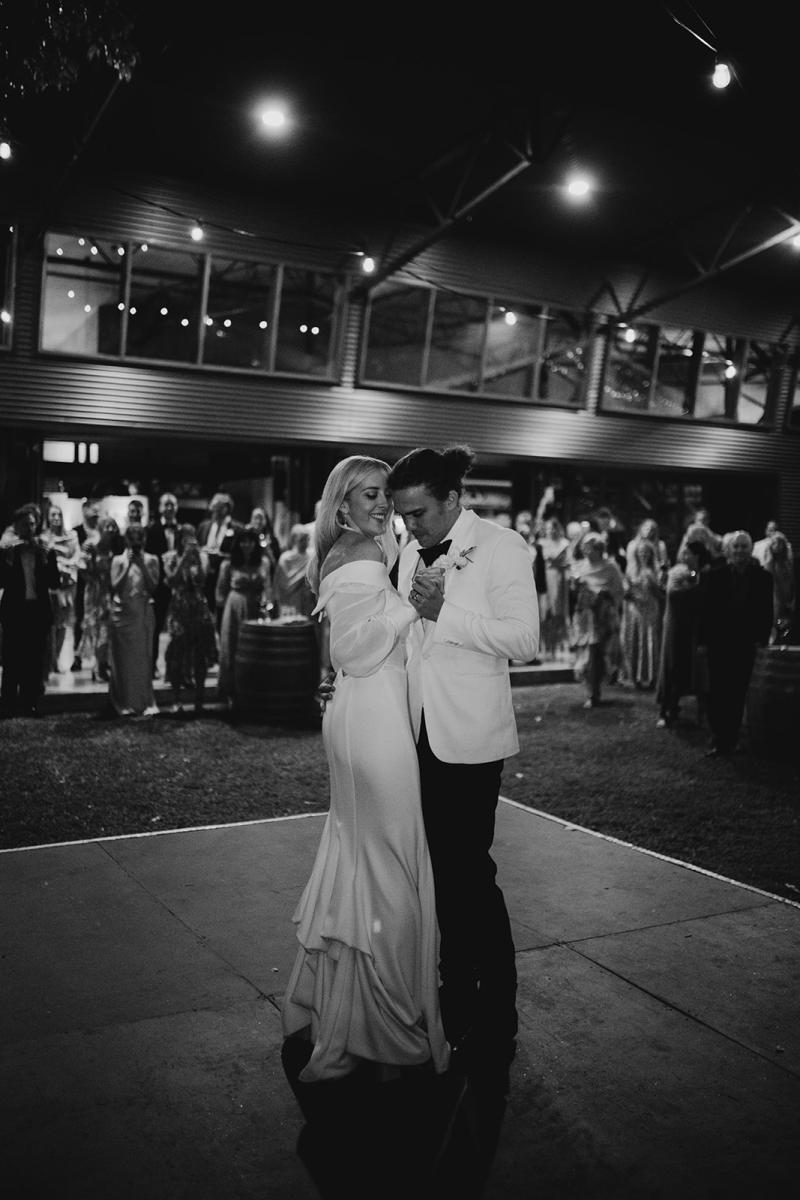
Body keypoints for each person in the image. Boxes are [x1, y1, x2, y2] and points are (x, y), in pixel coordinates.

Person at [281, 455, 449, 1085]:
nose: (382, 505)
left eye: (386, 495)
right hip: (372, 722)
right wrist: (413, 606)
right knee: (394, 865)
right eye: (370, 494)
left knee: (369, 861)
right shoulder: (359, 552)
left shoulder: (364, 548)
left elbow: (342, 650)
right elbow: (354, 649)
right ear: (344, 503)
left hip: (363, 713)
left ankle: (357, 1016)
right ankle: (389, 1019)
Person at [387, 443, 540, 1088]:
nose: (408, 526)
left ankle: (496, 1017)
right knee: (438, 875)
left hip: (470, 743)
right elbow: (404, 639)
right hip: (413, 735)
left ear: (453, 499)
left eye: (418, 513)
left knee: (470, 877)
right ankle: (454, 1000)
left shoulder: (505, 548)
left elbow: (523, 640)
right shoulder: (405, 550)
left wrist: (442, 613)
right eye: (401, 516)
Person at [697, 530, 773, 757]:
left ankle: (732, 737)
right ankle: (718, 737)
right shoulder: (715, 576)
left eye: (744, 546)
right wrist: (701, 641)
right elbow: (705, 612)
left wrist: (763, 638)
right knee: (717, 690)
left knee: (738, 691)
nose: (740, 550)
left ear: (751, 550)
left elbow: (767, 611)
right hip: (718, 642)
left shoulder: (763, 578)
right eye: (736, 546)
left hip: (745, 643)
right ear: (729, 550)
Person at [0, 504, 60, 718]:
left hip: (37, 610)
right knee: (11, 659)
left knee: (34, 660)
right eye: (25, 524)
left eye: (33, 524)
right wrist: (7, 561)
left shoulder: (44, 549)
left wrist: (46, 560)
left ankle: (30, 703)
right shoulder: (8, 551)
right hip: (15, 611)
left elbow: (55, 582)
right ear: (17, 526)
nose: (30, 528)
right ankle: (7, 704)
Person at [655, 539, 711, 728]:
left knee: (696, 669)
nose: (683, 555)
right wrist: (699, 589)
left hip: (695, 626)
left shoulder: (705, 573)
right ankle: (667, 707)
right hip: (676, 624)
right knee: (672, 663)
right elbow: (674, 595)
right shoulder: (678, 572)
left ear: (696, 555)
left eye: (687, 552)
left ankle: (700, 712)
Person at [162, 525, 218, 713]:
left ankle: (199, 700)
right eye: (185, 538)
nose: (189, 541)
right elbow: (172, 581)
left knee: (200, 655)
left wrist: (197, 560)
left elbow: (202, 581)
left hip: (198, 607)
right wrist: (184, 560)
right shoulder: (170, 557)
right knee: (177, 654)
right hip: (179, 607)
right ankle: (176, 699)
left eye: (192, 537)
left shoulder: (202, 557)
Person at [108, 522, 160, 717]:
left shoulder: (152, 559)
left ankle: (142, 700)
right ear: (127, 541)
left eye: (140, 539)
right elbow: (115, 586)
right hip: (122, 614)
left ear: (144, 540)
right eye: (133, 540)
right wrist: (128, 564)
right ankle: (123, 701)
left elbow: (154, 586)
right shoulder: (117, 560)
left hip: (142, 613)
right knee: (122, 659)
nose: (136, 543)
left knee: (142, 658)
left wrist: (142, 567)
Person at [215, 525, 271, 705]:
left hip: (255, 606)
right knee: (232, 646)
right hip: (235, 605)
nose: (247, 545)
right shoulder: (229, 564)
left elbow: (268, 587)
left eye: (250, 541)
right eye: (243, 541)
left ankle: (253, 689)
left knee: (254, 648)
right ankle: (230, 690)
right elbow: (220, 593)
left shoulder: (263, 563)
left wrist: (267, 605)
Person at [569, 531, 626, 708]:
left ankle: (595, 691)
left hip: (603, 616)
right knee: (587, 653)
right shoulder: (581, 567)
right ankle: (591, 690)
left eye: (589, 548)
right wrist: (576, 586)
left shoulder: (610, 567)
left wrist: (605, 595)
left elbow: (619, 591)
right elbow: (574, 591)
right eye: (584, 548)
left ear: (598, 549)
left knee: (597, 653)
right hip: (585, 616)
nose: (585, 551)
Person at [76, 516, 121, 682]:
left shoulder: (114, 547)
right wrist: (93, 579)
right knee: (94, 628)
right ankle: (98, 665)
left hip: (109, 592)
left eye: (113, 526)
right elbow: (81, 568)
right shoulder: (91, 545)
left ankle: (102, 664)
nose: (110, 530)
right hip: (95, 592)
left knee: (107, 629)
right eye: (107, 526)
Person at [40, 503, 82, 676]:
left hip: (68, 584)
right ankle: (50, 660)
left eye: (58, 514)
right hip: (52, 585)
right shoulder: (44, 538)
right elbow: (45, 561)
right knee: (52, 624)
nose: (56, 518)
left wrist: (65, 566)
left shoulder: (72, 535)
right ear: (48, 518)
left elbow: (76, 556)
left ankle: (56, 659)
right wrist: (60, 567)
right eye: (53, 515)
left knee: (63, 623)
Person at [145, 492, 182, 678]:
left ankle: (178, 667)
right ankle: (152, 665)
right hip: (159, 585)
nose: (169, 508)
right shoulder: (152, 530)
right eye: (166, 504)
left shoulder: (182, 530)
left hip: (179, 586)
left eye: (172, 504)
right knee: (156, 627)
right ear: (160, 507)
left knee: (179, 627)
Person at [621, 537, 664, 690]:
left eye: (646, 552)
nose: (644, 555)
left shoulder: (656, 570)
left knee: (651, 640)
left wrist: (653, 584)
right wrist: (629, 592)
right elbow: (625, 590)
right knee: (636, 641)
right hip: (636, 610)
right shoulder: (631, 570)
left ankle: (653, 676)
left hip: (651, 608)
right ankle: (635, 676)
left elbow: (661, 592)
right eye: (641, 552)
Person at [197, 492, 241, 629]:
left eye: (218, 507)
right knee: (205, 611)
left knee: (222, 613)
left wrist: (222, 555)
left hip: (224, 576)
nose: (214, 511)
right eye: (213, 507)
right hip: (206, 575)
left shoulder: (237, 528)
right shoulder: (204, 526)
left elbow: (238, 553)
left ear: (226, 508)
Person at [71, 499, 101, 671]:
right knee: (81, 618)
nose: (95, 513)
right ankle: (78, 655)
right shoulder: (76, 532)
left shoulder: (103, 531)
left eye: (97, 510)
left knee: (100, 620)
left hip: (100, 582)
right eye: (92, 510)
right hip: (83, 583)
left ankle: (100, 658)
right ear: (84, 511)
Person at [537, 515, 571, 658]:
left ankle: (559, 648)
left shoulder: (564, 543)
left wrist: (557, 563)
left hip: (559, 579)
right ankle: (544, 647)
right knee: (543, 613)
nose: (551, 531)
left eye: (554, 528)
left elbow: (569, 562)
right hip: (543, 579)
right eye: (549, 528)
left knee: (558, 613)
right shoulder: (540, 543)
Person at [273, 523, 315, 618]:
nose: (305, 542)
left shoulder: (311, 557)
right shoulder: (286, 558)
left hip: (307, 602)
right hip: (289, 603)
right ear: (294, 539)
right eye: (302, 539)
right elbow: (284, 584)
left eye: (307, 539)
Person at [761, 531, 795, 644]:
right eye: (775, 543)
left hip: (785, 595)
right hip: (772, 596)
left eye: (780, 543)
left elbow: (790, 582)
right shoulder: (769, 563)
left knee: (784, 624)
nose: (777, 546)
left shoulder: (787, 563)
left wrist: (790, 598)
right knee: (772, 622)